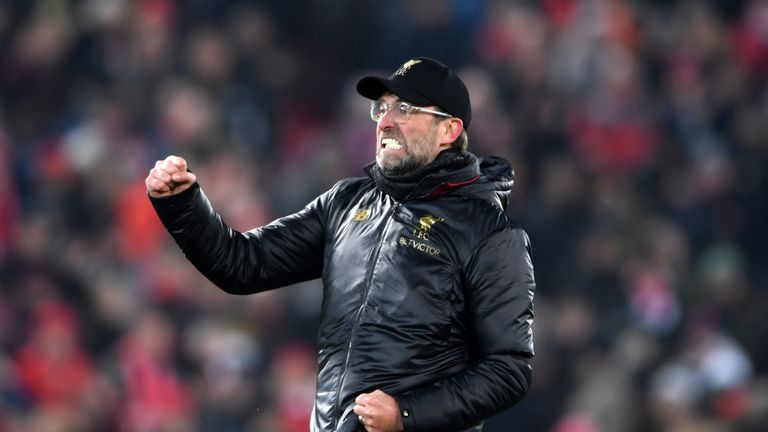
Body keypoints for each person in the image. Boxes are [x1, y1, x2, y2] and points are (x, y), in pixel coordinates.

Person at [146, 57, 535, 432]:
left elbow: (509, 368)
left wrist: (406, 415)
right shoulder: (346, 203)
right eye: (381, 110)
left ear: (449, 131)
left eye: (404, 110)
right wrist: (182, 202)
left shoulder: (490, 233)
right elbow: (242, 264)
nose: (385, 122)